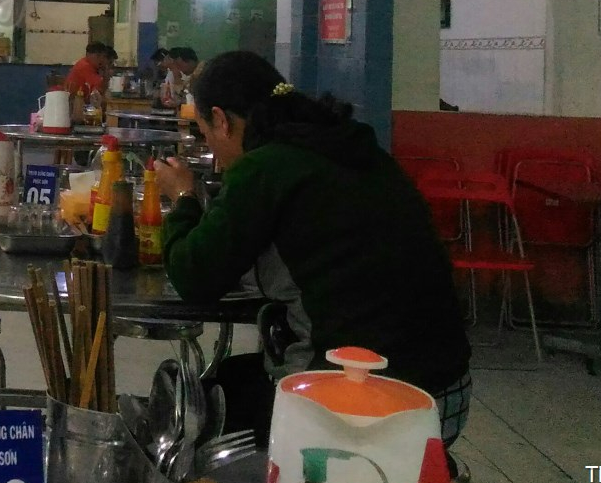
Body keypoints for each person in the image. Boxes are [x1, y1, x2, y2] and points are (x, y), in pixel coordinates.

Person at [154, 51, 471, 450]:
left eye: (205, 134)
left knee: (190, 414)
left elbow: (193, 275)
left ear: (220, 119)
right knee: (234, 378)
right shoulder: (351, 145)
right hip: (447, 391)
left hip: (365, 405)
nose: (213, 152)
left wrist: (183, 198)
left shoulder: (265, 167)